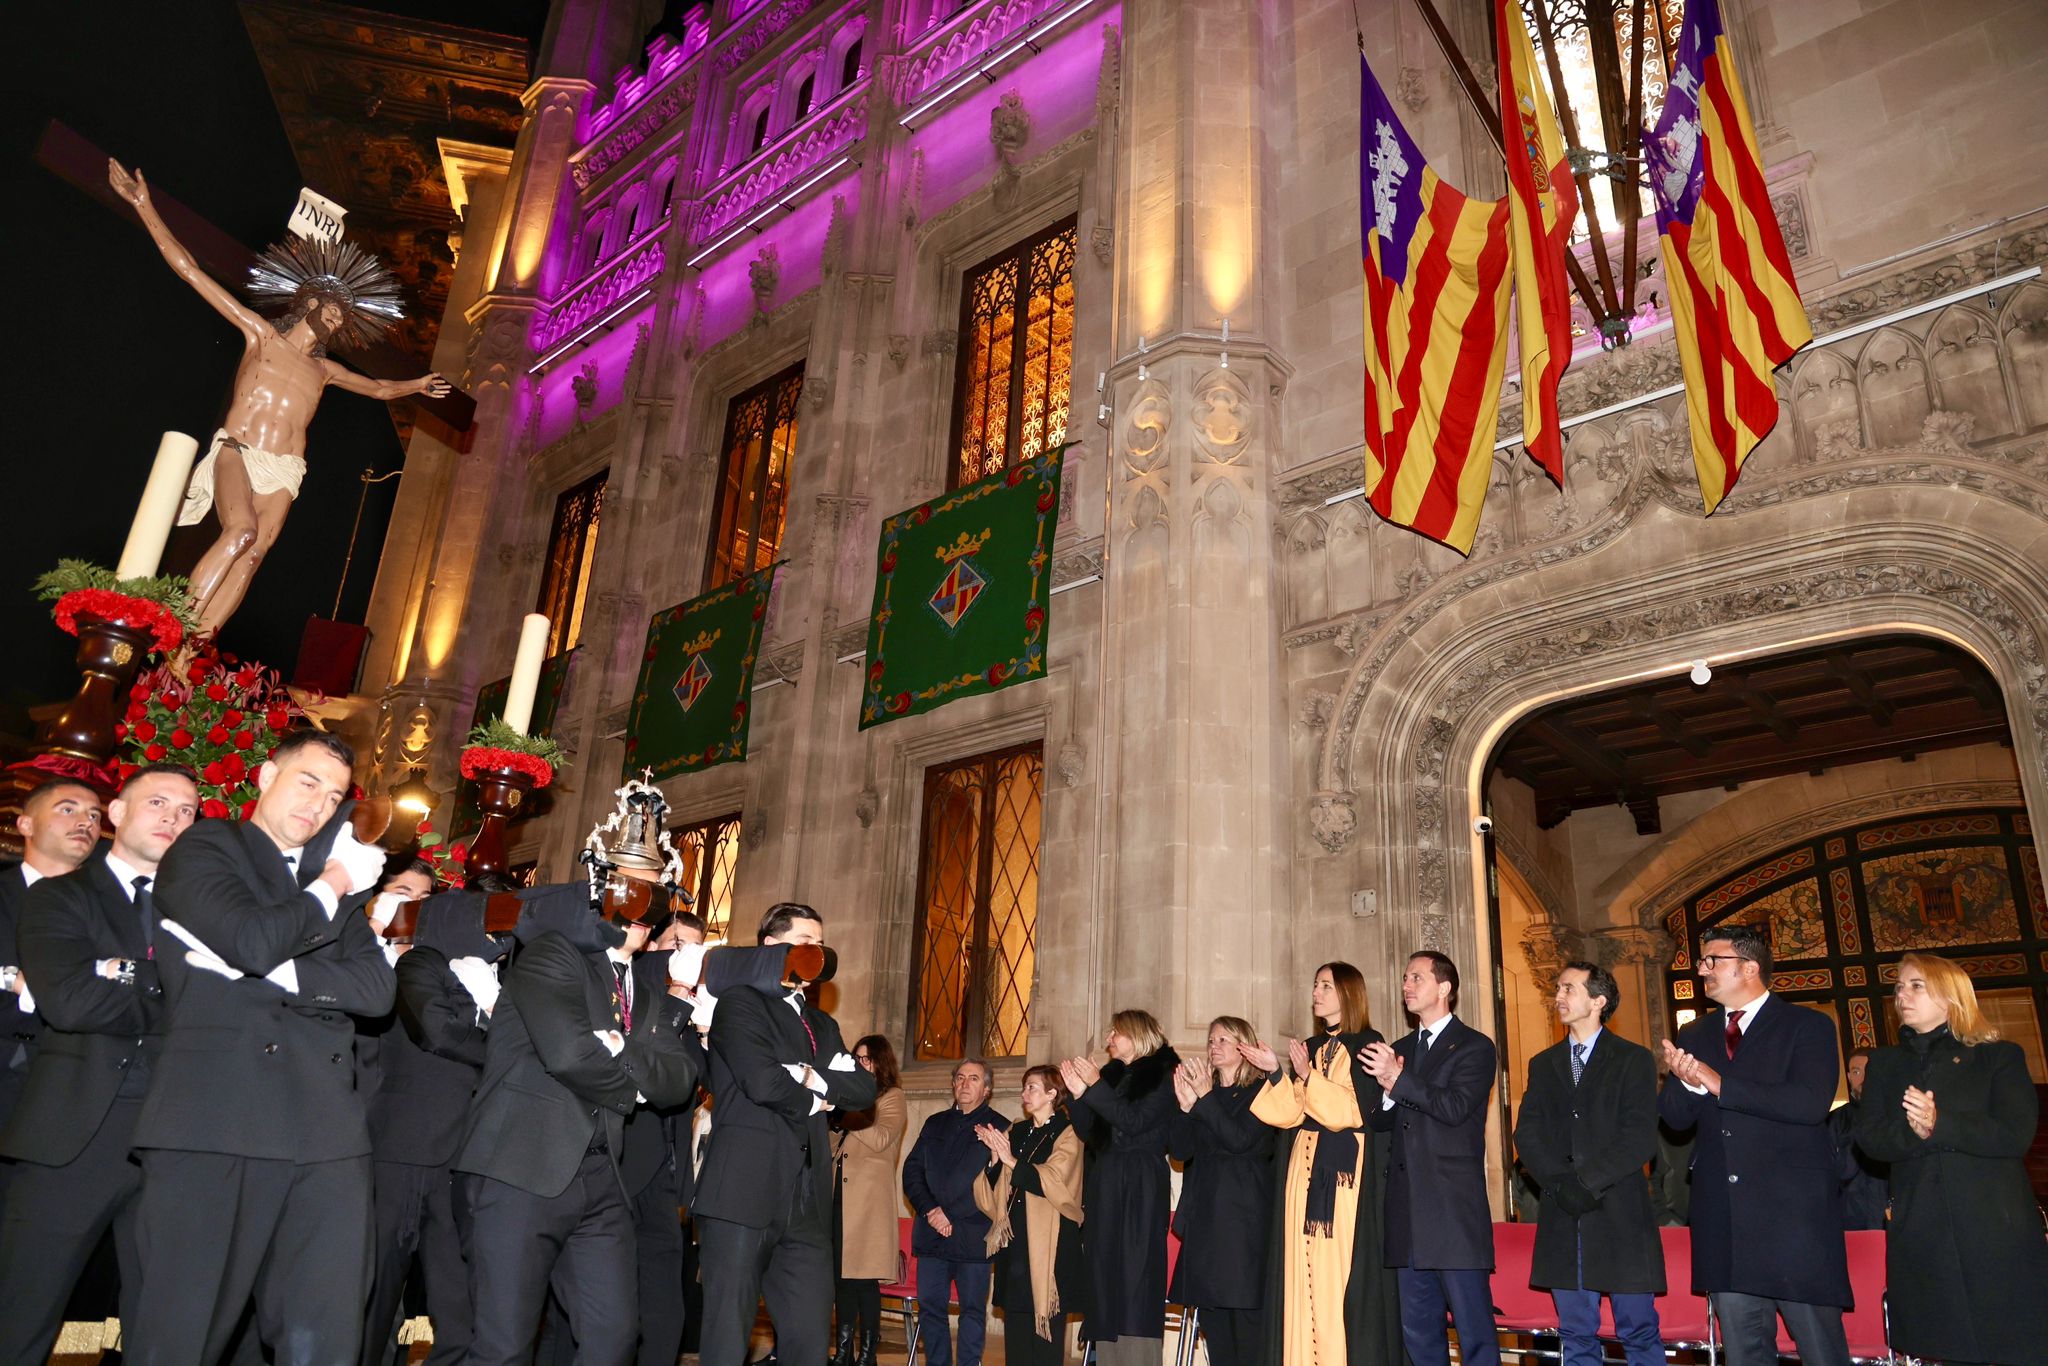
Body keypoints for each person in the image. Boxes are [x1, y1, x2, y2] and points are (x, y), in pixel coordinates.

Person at [127, 730, 397, 1365]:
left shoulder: (333, 889)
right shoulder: (205, 849)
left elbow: (376, 991)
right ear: (265, 775)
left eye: (334, 797)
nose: (319, 805)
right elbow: (250, 939)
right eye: (307, 782)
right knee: (181, 1337)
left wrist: (279, 973)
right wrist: (330, 884)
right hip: (217, 1120)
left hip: (327, 1133)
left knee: (325, 1338)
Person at [106, 158, 450, 644]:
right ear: (309, 304)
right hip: (240, 451)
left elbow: (377, 389)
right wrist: (144, 207)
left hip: (286, 468)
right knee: (239, 533)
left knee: (253, 555)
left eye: (339, 319)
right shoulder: (261, 336)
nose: (333, 321)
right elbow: (190, 271)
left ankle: (195, 647)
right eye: (329, 310)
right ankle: (177, 623)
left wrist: (415, 385)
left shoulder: (325, 370)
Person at [454, 831, 703, 1366]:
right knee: (505, 1346)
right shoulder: (552, 955)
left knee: (614, 1339)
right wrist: (637, 1080)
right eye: (630, 893)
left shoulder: (647, 988)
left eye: (652, 899)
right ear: (600, 894)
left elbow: (680, 1079)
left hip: (600, 1177)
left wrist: (621, 1052)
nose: (643, 910)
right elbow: (568, 1055)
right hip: (521, 1169)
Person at [0, 765, 196, 1364]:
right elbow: (69, 1000)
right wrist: (177, 995)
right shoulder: (61, 894)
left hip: (177, 1134)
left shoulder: (204, 908)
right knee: (18, 1317)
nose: (173, 817)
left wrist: (123, 974)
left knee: (163, 1328)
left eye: (187, 810)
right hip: (73, 1133)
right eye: (158, 802)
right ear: (116, 814)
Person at [694, 902, 876, 1366]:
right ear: (772, 947)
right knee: (726, 1337)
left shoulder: (822, 1024)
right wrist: (822, 1091)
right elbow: (762, 1081)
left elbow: (863, 1089)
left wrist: (812, 1079)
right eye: (805, 942)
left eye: (820, 942)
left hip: (807, 1204)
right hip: (742, 1193)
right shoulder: (740, 1004)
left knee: (810, 1339)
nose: (817, 952)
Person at [1659, 923, 1849, 1366]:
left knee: (1821, 1349)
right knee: (1744, 1353)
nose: (1702, 969)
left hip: (1793, 1217)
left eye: (1713, 960)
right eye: (1702, 961)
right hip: (1724, 1217)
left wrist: (1720, 1084)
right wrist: (1688, 1084)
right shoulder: (1695, 1034)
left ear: (1749, 967)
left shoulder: (1808, 1025)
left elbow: (1810, 1103)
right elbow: (1672, 1118)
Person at [1854, 953, 2048, 1365]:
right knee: (1944, 1346)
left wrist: (1941, 1124)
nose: (1902, 995)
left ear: (1951, 995)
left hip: (1995, 1230)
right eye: (1899, 987)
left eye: (1916, 985)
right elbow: (1870, 1139)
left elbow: (2015, 1134)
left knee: (2018, 1344)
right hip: (1924, 1229)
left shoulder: (1998, 1056)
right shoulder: (1885, 1065)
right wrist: (1914, 1131)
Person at [358, 860, 490, 1366]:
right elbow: (433, 1032)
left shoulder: (449, 965)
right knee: (374, 1294)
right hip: (394, 1141)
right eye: (401, 891)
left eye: (424, 895)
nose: (413, 903)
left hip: (456, 1150)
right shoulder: (372, 957)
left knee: (455, 1300)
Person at [1512, 961, 1665, 1366]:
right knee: (1575, 1334)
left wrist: (1586, 1182)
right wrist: (1560, 1184)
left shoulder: (1633, 1060)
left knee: (1638, 1329)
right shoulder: (1544, 1064)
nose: (1557, 997)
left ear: (1598, 1000)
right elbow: (1527, 1134)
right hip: (1563, 1215)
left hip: (1619, 1215)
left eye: (1568, 988)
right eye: (1558, 988)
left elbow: (1639, 1138)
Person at [1250, 962, 1399, 1366]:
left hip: (1342, 1177)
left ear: (1347, 993)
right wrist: (1276, 1072)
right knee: (1301, 1274)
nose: (1316, 992)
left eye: (1325, 986)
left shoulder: (1369, 1043)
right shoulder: (1315, 1048)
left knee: (1335, 1277)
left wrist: (1308, 1077)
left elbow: (1357, 1110)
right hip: (1304, 1167)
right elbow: (1291, 1113)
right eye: (1315, 985)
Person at [1362, 951, 1500, 1366]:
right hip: (1408, 1211)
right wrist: (1388, 1089)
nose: (1406, 986)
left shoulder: (1475, 1047)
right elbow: (1380, 1122)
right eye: (1404, 978)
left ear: (1445, 988)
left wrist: (1398, 1079)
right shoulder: (1400, 1048)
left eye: (1416, 978)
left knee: (1474, 1334)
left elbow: (1456, 1107)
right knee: (1418, 1335)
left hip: (1452, 1210)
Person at [0, 777, 104, 1204]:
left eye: (95, 815)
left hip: (73, 1096)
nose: (85, 822)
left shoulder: (114, 908)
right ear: (25, 824)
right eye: (68, 809)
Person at [1060, 1009, 1179, 1366]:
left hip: (1140, 1182)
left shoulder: (1162, 1074)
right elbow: (1089, 1132)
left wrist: (1094, 1087)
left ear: (1138, 1034)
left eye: (1117, 1032)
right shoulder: (1111, 1076)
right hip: (1107, 1181)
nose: (1109, 1039)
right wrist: (1078, 1094)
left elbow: (1134, 1120)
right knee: (1104, 1273)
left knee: (1135, 1275)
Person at [620, 908, 708, 1366]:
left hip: (666, 1176)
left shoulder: (687, 1007)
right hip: (619, 1167)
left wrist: (709, 1029)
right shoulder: (626, 992)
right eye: (678, 945)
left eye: (695, 948)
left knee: (663, 1310)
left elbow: (706, 1075)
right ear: (652, 947)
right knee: (611, 1306)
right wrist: (675, 1002)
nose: (686, 956)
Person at [1167, 1016, 1274, 1366]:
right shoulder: (1203, 1095)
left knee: (1247, 1332)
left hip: (1244, 1226)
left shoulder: (1262, 1091)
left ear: (1244, 1046)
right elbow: (1181, 1152)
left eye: (1223, 1040)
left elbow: (1239, 1139)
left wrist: (1205, 1099)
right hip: (1207, 1224)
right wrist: (1185, 1109)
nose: (1214, 1047)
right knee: (1216, 1332)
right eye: (1211, 1041)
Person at [973, 1065, 1086, 1366]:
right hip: (1016, 1245)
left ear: (1052, 1093)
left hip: (1051, 1245)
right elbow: (993, 1192)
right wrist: (996, 1161)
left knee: (1045, 1339)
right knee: (1017, 1339)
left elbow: (1056, 1181)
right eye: (1024, 1087)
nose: (1024, 1093)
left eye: (1032, 1087)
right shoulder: (1017, 1131)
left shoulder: (1069, 1132)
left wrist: (1010, 1160)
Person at [901, 1058, 1007, 1366]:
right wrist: (931, 1210)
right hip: (931, 1233)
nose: (964, 1084)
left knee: (973, 1311)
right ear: (952, 1084)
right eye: (960, 1078)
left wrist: (951, 1214)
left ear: (986, 1089)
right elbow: (912, 1171)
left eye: (973, 1079)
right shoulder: (934, 1123)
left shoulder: (998, 1127)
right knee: (931, 1307)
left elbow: (995, 1183)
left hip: (972, 1235)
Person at [832, 1034, 908, 1366]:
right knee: (843, 1278)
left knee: (864, 1280)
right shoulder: (849, 1099)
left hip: (868, 1204)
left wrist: (848, 1110)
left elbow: (879, 1137)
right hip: (840, 1196)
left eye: (867, 1058)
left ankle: (867, 1355)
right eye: (857, 1058)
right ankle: (844, 1351)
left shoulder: (892, 1097)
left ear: (881, 1063)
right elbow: (834, 1141)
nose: (861, 1063)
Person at [1828, 1047, 1886, 1230]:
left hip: (1895, 1218)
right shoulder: (1835, 1120)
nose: (1862, 1078)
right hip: (1850, 1219)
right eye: (1856, 1071)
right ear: (1848, 1077)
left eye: (1868, 1070)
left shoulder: (1898, 1114)